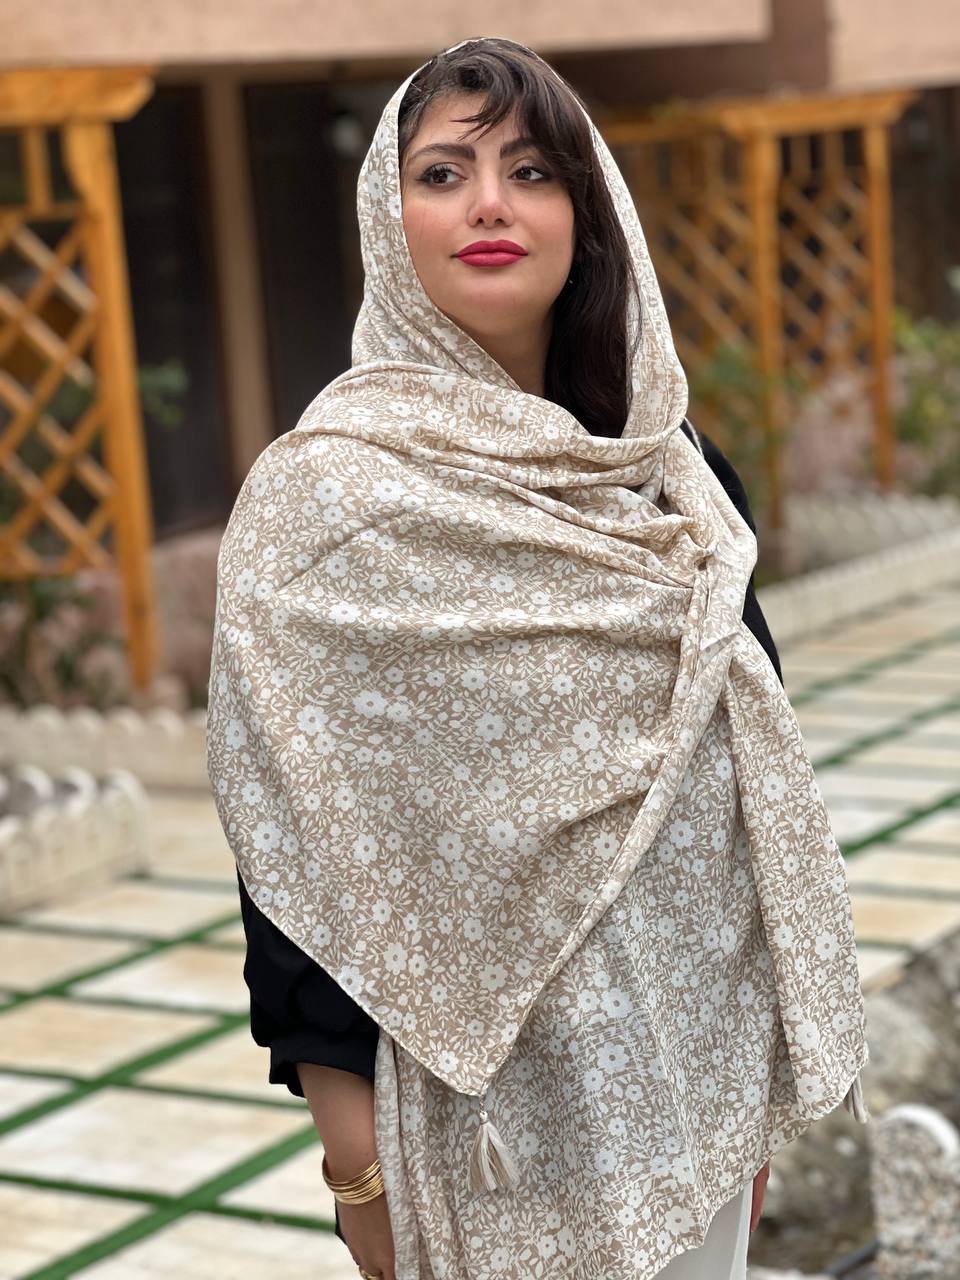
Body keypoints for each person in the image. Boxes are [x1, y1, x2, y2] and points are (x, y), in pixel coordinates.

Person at [207, 36, 869, 1280]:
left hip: (697, 1087)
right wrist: (356, 1168)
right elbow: (297, 852)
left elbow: (743, 781)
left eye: (531, 171)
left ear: (587, 213)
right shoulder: (327, 509)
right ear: (388, 217)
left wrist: (751, 1088)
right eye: (443, 173)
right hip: (491, 1132)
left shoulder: (674, 476)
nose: (490, 205)